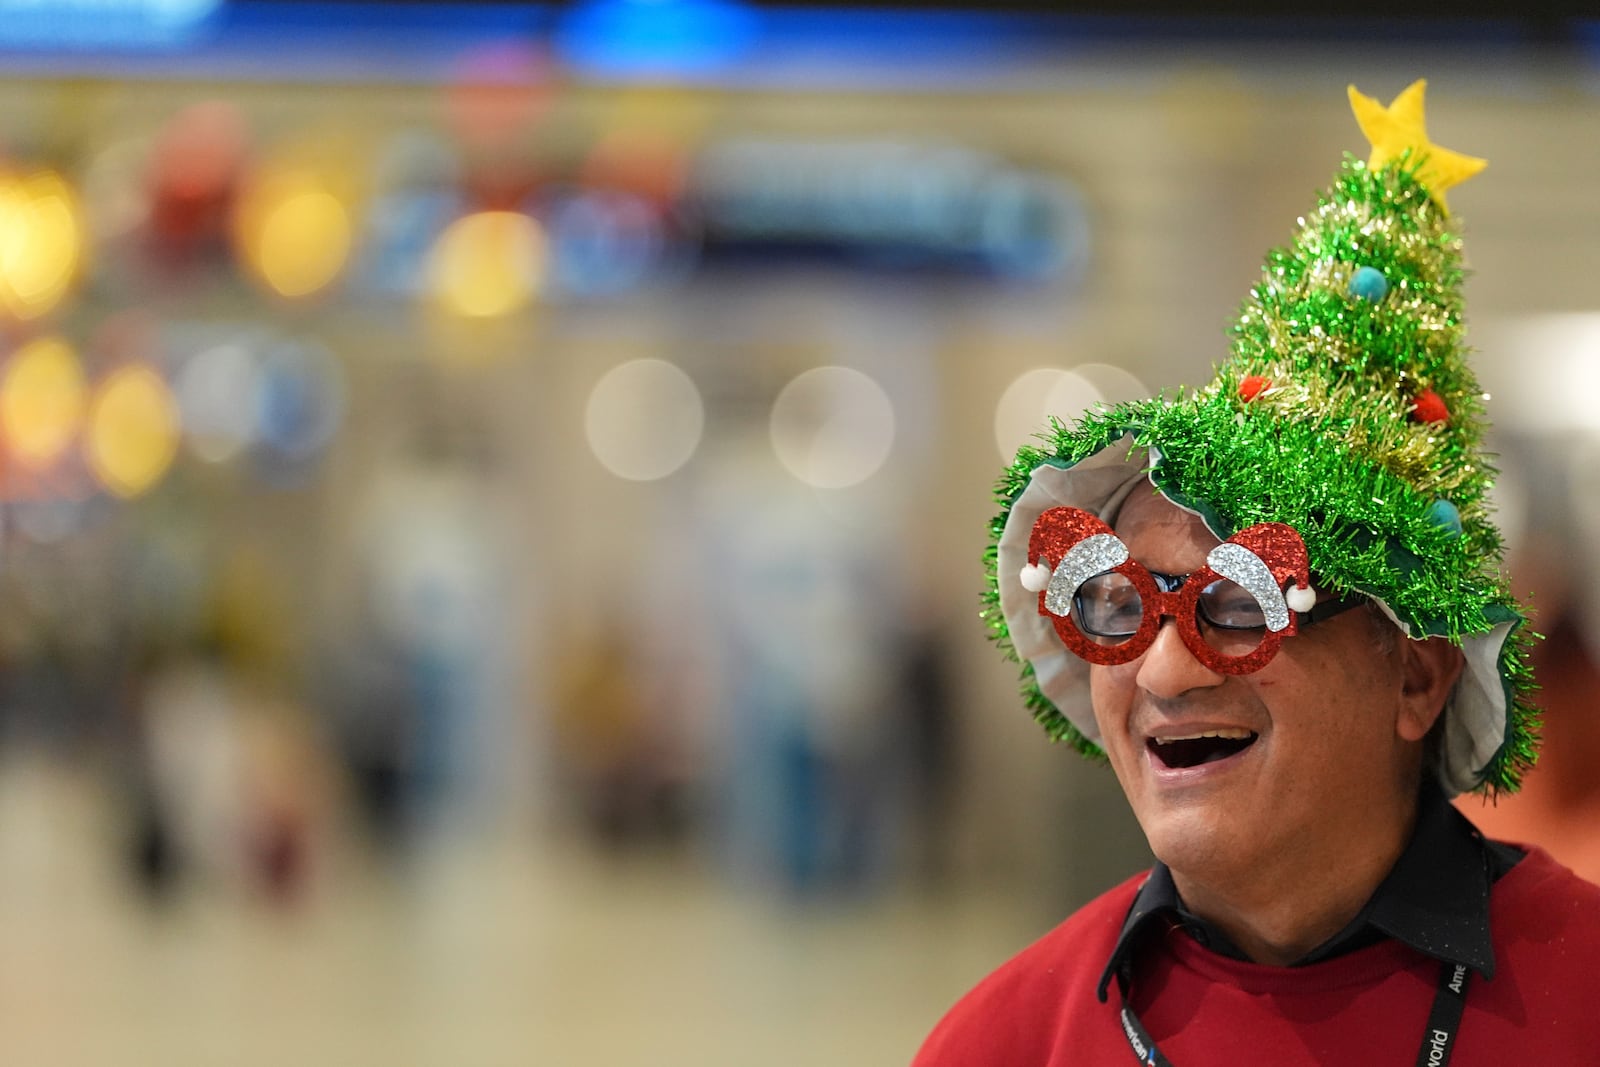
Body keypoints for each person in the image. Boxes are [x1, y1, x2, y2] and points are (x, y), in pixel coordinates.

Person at [915, 80, 1600, 1066]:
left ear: (1416, 673)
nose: (1160, 672)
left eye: (1239, 604)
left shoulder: (1579, 993)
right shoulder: (1011, 1039)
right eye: (1115, 603)